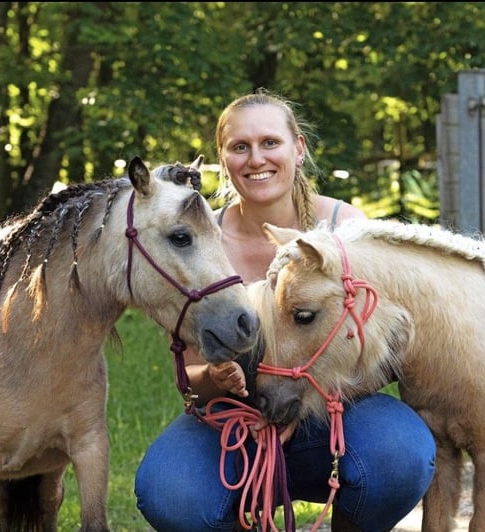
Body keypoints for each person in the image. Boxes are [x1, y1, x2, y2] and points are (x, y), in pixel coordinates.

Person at [135, 90, 436, 532]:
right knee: (169, 492)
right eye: (240, 147)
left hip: (334, 420)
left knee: (400, 454)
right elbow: (190, 380)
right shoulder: (196, 242)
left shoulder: (346, 228)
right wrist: (216, 378)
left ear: (298, 148)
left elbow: (387, 357)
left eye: (270, 142)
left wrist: (307, 402)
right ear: (223, 159)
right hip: (234, 428)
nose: (256, 159)